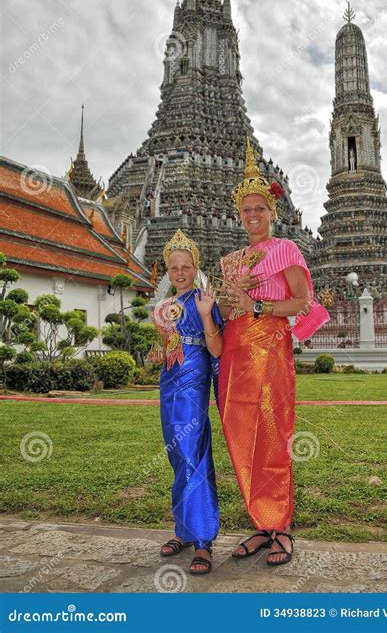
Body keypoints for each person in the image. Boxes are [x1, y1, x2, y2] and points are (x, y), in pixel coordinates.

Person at [217, 139, 330, 566]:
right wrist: (231, 302)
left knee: (273, 436)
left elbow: (301, 302)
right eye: (245, 210)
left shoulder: (286, 249)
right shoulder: (233, 260)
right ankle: (260, 523)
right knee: (241, 437)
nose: (252, 216)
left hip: (271, 350)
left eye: (259, 208)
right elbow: (228, 311)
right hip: (235, 354)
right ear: (239, 215)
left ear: (271, 212)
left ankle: (279, 527)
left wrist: (257, 305)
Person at [152, 229, 223, 575]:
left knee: (194, 456)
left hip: (194, 390)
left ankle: (203, 542)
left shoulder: (203, 302)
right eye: (173, 268)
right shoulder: (167, 307)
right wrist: (157, 350)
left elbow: (217, 350)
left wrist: (208, 314)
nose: (179, 273)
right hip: (168, 388)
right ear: (168, 271)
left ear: (196, 268)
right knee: (177, 457)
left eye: (185, 267)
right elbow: (165, 350)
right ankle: (182, 530)